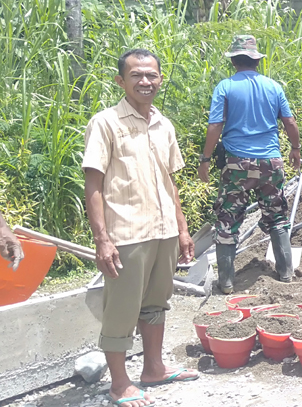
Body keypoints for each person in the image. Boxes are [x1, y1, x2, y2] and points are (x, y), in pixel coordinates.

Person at [83, 49, 199, 407]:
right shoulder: (106, 123)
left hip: (163, 231)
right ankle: (120, 384)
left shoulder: (164, 124)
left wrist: (181, 230)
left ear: (161, 79)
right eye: (136, 76)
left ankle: (154, 369)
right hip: (127, 234)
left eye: (152, 75)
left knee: (156, 304)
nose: (145, 81)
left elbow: (170, 182)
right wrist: (102, 239)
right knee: (121, 309)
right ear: (121, 81)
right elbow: (93, 185)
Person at [198, 35, 301, 293]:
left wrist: (206, 159)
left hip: (237, 164)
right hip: (271, 162)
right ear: (257, 60)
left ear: (233, 60)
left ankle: (227, 282)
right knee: (277, 216)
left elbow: (215, 126)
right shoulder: (274, 87)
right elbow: (289, 123)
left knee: (228, 219)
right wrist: (296, 149)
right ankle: (286, 273)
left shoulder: (225, 87)